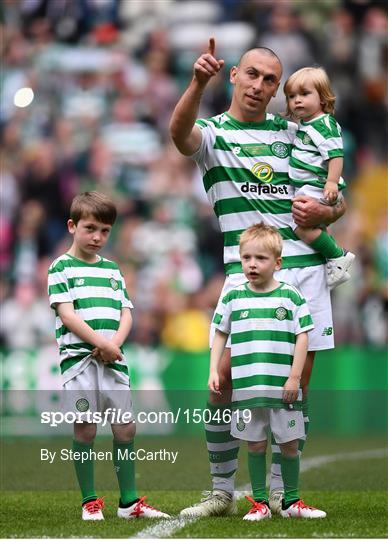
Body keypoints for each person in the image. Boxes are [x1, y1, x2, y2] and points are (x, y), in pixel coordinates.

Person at [170, 39, 346, 517]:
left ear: (276, 90)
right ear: (234, 76)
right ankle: (222, 490)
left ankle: (278, 495)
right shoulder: (213, 133)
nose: (260, 85)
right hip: (242, 273)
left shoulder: (293, 132)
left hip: (302, 275)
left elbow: (336, 200)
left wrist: (325, 210)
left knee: (294, 389)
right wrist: (196, 81)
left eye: (270, 80)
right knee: (222, 382)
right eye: (252, 74)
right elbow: (178, 133)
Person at [47, 191, 170, 521]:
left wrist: (114, 344)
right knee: (85, 428)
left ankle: (129, 502)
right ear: (72, 226)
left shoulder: (113, 270)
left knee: (125, 427)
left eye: (105, 230)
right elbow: (68, 315)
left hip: (113, 359)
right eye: (90, 228)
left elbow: (126, 312)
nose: (98, 237)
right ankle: (90, 501)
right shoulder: (60, 267)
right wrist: (101, 345)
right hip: (81, 362)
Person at [209, 223, 326, 520]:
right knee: (256, 444)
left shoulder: (291, 296)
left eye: (260, 258)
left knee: (287, 444)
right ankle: (259, 503)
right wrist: (214, 370)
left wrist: (294, 377)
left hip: (282, 387)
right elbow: (221, 333)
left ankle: (291, 501)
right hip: (249, 389)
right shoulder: (233, 297)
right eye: (246, 258)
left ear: (277, 263)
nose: (251, 264)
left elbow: (303, 336)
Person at [284, 66, 355, 288]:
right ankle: (332, 261)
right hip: (309, 185)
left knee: (299, 226)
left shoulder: (325, 125)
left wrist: (331, 182)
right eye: (292, 96)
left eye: (304, 94)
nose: (297, 100)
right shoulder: (307, 124)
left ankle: (338, 256)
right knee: (315, 228)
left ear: (323, 99)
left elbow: (335, 155)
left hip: (317, 185)